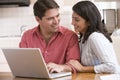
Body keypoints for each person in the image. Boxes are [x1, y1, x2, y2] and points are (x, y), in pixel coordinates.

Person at [19, 0, 80, 73]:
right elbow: (22, 63)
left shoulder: (70, 36)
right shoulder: (27, 36)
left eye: (57, 16)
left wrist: (61, 67)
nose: (56, 21)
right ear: (38, 19)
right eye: (50, 18)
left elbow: (75, 65)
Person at [69, 1, 120, 73]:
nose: (72, 23)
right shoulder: (84, 36)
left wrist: (83, 69)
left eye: (77, 20)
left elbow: (112, 66)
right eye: (73, 18)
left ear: (89, 22)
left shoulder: (95, 37)